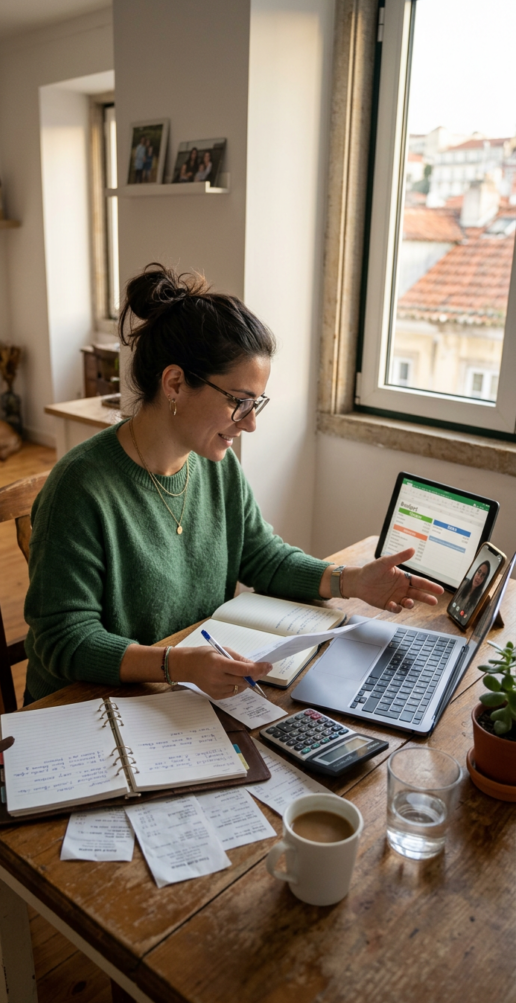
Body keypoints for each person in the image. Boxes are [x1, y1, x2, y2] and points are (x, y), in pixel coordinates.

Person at [23, 264, 442, 706]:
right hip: (87, 709)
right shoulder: (80, 487)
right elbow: (64, 639)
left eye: (256, 403)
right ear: (175, 383)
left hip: (180, 693)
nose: (252, 423)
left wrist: (352, 581)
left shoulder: (213, 463)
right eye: (239, 402)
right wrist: (175, 663)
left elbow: (262, 557)